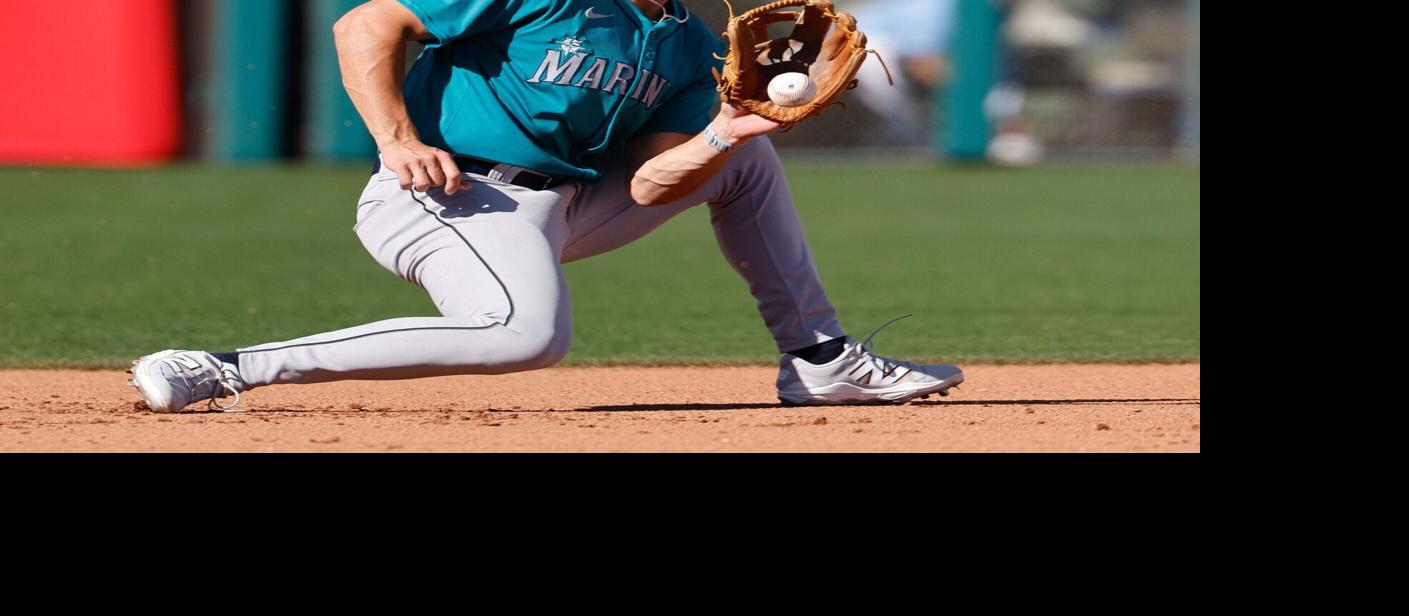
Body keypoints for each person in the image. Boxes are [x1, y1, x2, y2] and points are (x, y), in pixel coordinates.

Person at [130, 0, 963, 414]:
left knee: (748, 161)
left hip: (559, 207)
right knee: (526, 334)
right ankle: (228, 365)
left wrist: (726, 131)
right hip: (442, 191)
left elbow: (646, 183)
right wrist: (394, 138)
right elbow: (365, 24)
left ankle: (821, 360)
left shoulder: (688, 45)